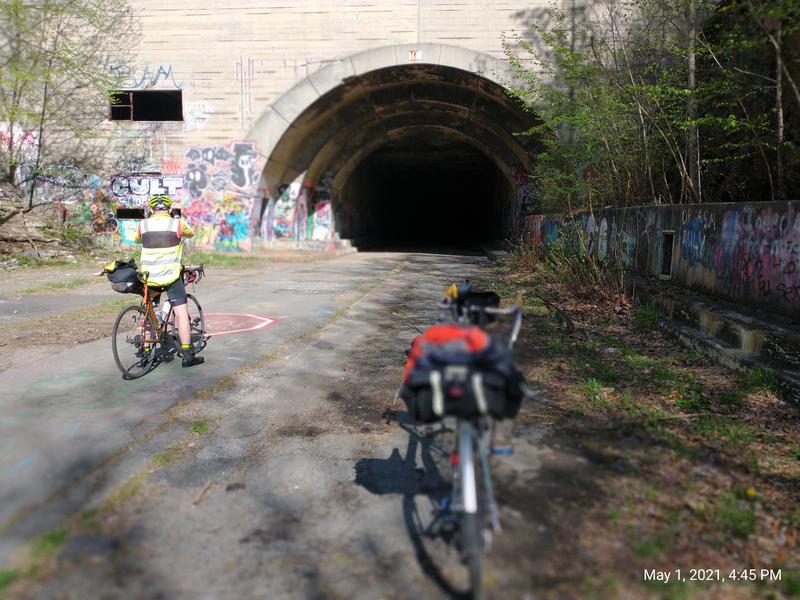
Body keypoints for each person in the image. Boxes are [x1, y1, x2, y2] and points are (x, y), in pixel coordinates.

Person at [134, 194, 204, 367]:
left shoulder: (143, 225)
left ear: (151, 209)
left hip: (150, 278)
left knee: (149, 313)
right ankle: (187, 355)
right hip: (172, 277)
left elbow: (137, 239)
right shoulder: (176, 223)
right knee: (181, 313)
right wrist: (178, 217)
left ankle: (147, 353)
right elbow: (190, 233)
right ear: (170, 209)